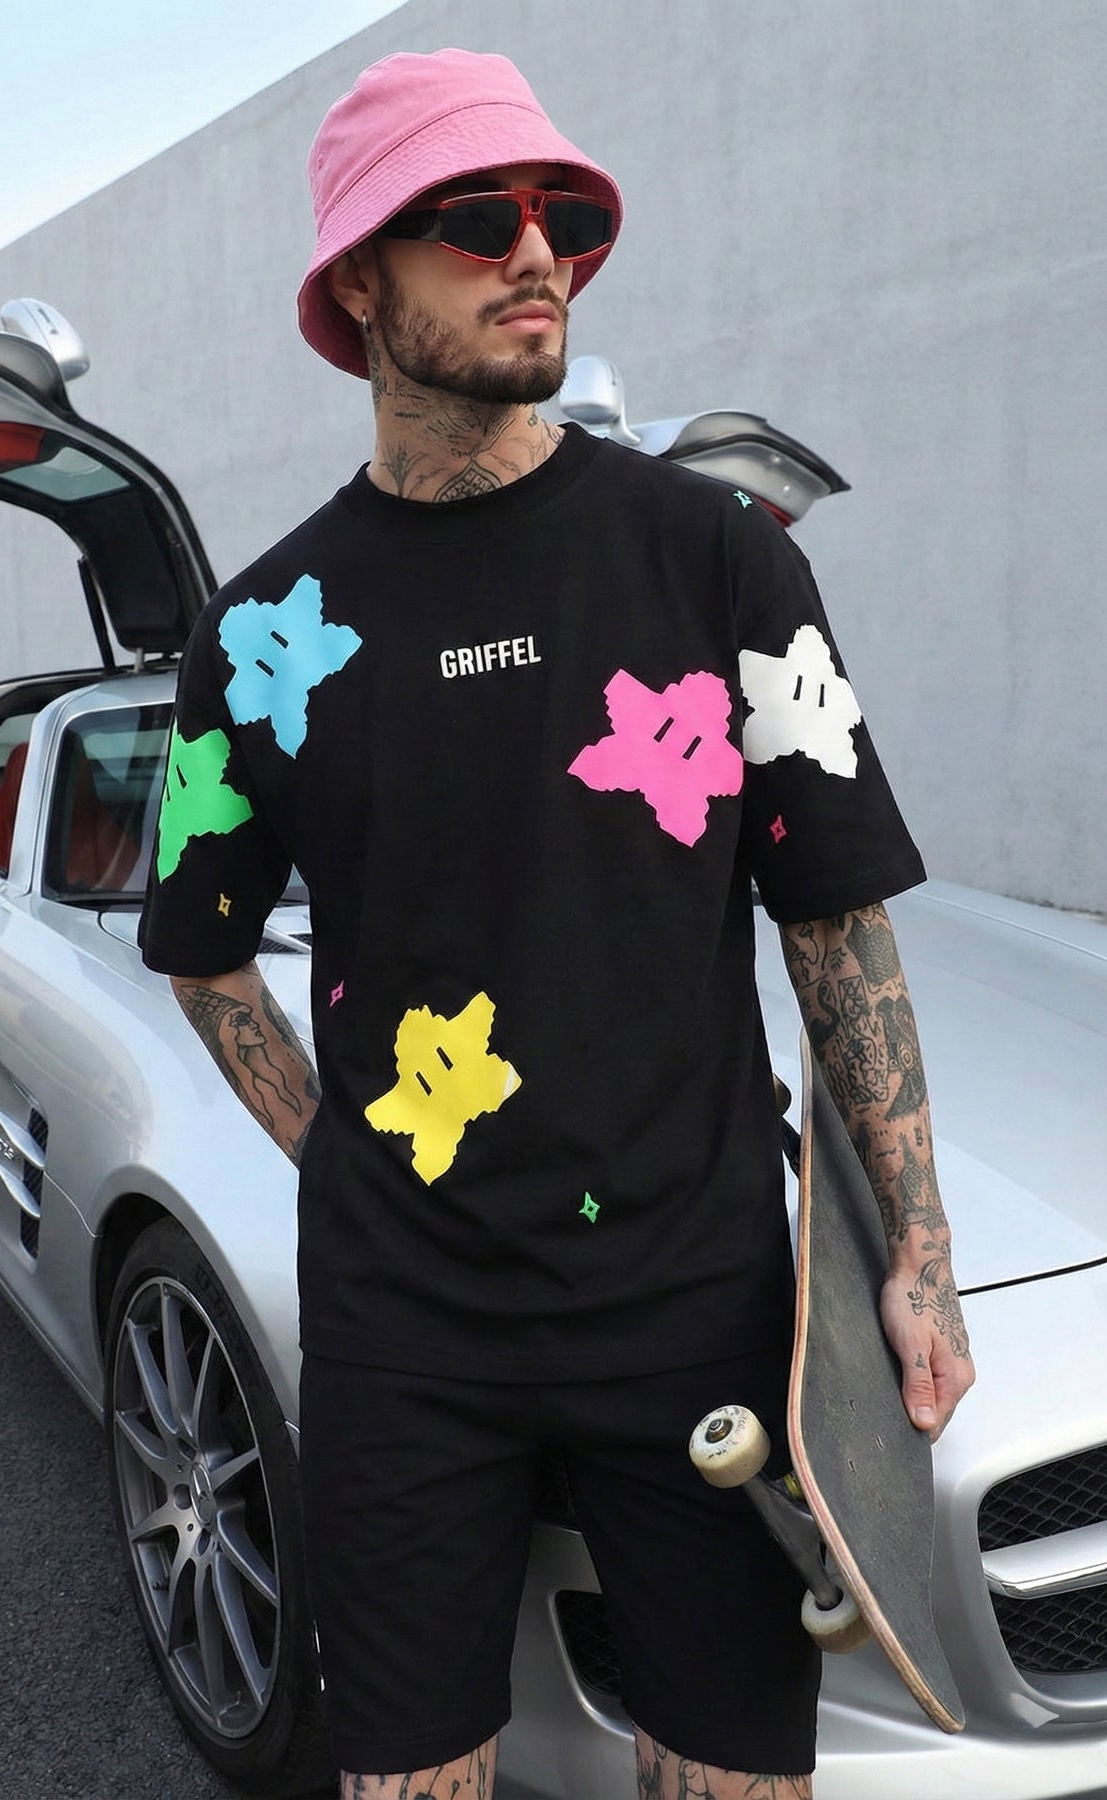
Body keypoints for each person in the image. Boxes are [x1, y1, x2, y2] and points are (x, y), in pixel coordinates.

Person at [139, 46, 974, 1800]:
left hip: (699, 1302)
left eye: (563, 217)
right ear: (356, 284)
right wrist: (343, 1158)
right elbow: (204, 953)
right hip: (404, 1331)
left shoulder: (716, 557)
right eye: (474, 218)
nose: (537, 253)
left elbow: (836, 927)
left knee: (734, 1770)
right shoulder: (261, 634)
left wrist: (914, 1257)